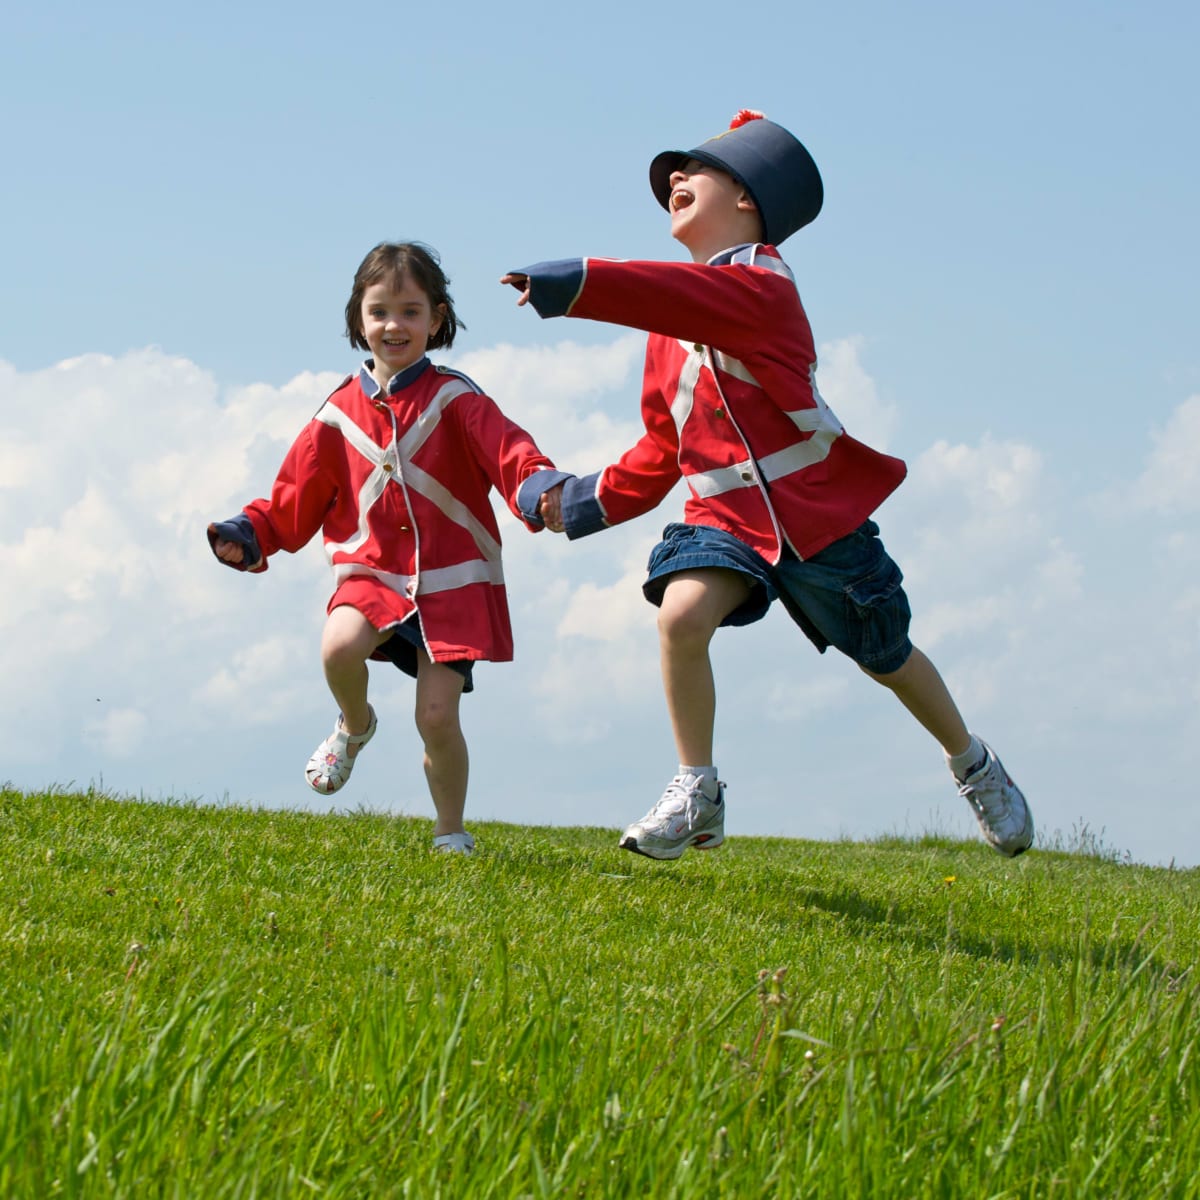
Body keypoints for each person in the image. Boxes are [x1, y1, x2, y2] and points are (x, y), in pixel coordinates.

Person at [502, 111, 1033, 862]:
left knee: (888, 657)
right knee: (680, 614)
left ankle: (971, 763)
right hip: (721, 519)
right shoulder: (665, 330)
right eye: (668, 182)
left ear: (748, 202)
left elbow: (682, 299)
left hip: (820, 522)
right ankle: (698, 790)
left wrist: (575, 282)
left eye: (693, 172)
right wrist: (575, 503)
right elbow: (661, 452)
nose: (673, 184)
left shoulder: (764, 286)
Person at [210, 241, 568, 855]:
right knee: (338, 648)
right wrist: (253, 531)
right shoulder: (337, 414)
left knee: (436, 719)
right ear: (358, 320)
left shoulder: (458, 398)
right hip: (372, 572)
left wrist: (539, 487)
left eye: (410, 310)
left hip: (454, 583)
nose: (393, 325)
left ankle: (450, 832)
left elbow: (510, 452)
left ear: (437, 318)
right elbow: (295, 493)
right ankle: (354, 726)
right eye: (379, 311)